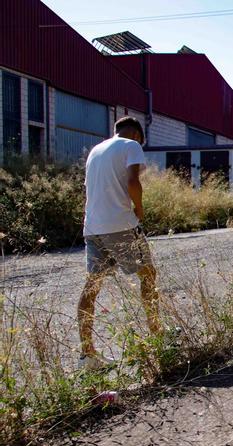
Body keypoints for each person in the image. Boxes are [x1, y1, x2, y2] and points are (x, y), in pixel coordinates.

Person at [77, 116, 161, 370]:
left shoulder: (96, 150)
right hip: (121, 225)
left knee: (92, 286)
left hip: (92, 226)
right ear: (137, 134)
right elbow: (133, 181)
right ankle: (158, 337)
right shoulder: (131, 145)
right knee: (148, 276)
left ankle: (87, 355)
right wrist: (139, 209)